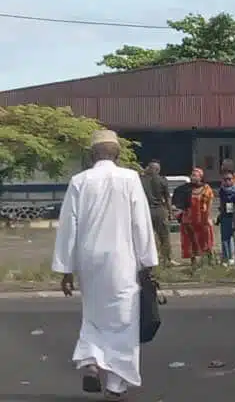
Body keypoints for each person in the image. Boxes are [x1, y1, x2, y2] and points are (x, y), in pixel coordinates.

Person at [52, 130, 159, 400]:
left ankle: (90, 361)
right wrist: (148, 261)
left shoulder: (79, 181)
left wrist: (66, 269)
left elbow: (68, 227)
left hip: (90, 261)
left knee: (94, 315)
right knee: (123, 320)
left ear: (92, 155)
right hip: (122, 259)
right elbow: (140, 222)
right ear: (118, 154)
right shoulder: (130, 179)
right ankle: (115, 385)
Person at [139, 159, 174, 266]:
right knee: (164, 236)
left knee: (147, 237)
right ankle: (167, 259)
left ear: (149, 168)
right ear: (158, 170)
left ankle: (148, 259)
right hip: (159, 210)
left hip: (145, 211)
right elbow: (167, 198)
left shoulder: (140, 180)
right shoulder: (162, 180)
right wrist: (170, 212)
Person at [180, 168, 214, 267]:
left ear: (201, 177)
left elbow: (210, 203)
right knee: (191, 240)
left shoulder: (206, 188)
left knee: (206, 240)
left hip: (203, 218)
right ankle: (193, 263)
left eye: (195, 175)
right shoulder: (186, 189)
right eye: (192, 175)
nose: (192, 177)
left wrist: (208, 217)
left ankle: (210, 261)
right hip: (189, 219)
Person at [216, 170, 235, 266]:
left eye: (229, 179)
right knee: (225, 239)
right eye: (225, 179)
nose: (227, 181)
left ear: (233, 179)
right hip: (225, 217)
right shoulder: (222, 190)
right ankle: (226, 259)